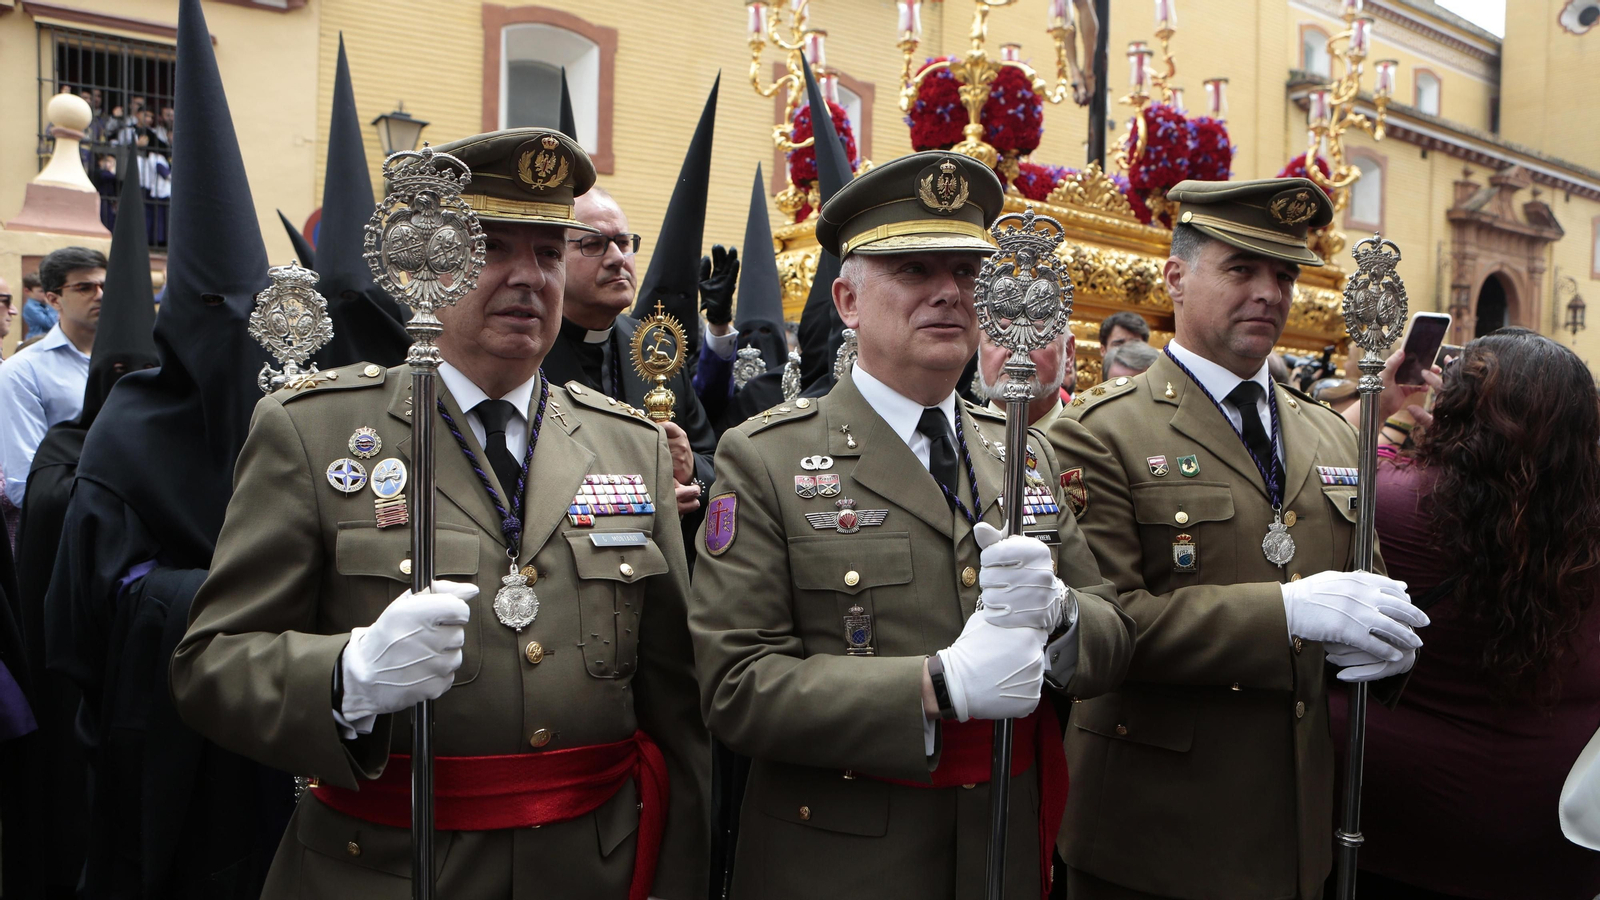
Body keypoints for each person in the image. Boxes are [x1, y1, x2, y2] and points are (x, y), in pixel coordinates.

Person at [170, 126, 709, 900]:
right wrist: (345, 678)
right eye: (494, 248)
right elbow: (210, 663)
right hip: (391, 865)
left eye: (551, 253)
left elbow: (674, 701)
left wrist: (678, 873)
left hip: (591, 864)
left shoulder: (628, 445)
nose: (532, 278)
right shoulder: (312, 431)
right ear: (424, 264)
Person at [691, 151, 1133, 900]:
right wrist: (934, 685)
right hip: (847, 862)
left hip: (1001, 844)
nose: (948, 294)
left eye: (965, 273)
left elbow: (1115, 636)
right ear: (849, 300)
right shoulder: (767, 457)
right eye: (914, 271)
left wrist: (1061, 617)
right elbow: (736, 686)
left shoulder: (1018, 449)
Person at [1049, 177, 1427, 900]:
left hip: (1293, 830)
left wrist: (1386, 644)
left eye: (1284, 274)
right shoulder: (1100, 432)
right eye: (1241, 269)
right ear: (1176, 278)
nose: (1269, 292)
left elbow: (1364, 582)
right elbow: (1104, 625)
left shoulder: (1326, 429)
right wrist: (1283, 613)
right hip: (1155, 835)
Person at [1328, 328, 1600, 900]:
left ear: (1452, 407)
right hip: (1551, 833)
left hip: (1396, 824)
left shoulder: (1394, 501)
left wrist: (1383, 399)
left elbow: (1326, 462)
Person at [9, 164, 159, 900]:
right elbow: (31, 500)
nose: (99, 299)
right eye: (85, 288)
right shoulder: (58, 430)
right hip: (82, 669)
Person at [541, 186, 719, 516]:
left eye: (623, 243)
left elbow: (710, 461)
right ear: (553, 255)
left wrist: (691, 471)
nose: (617, 258)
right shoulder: (529, 350)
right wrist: (640, 501)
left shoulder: (658, 346)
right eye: (593, 244)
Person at [0, 246, 105, 507]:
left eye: (105, 285)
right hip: (70, 525)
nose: (101, 295)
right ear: (53, 299)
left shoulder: (138, 361)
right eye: (84, 287)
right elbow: (26, 484)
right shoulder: (23, 371)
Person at [976, 328, 1074, 430]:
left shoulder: (1088, 444)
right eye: (998, 336)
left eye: (1035, 336)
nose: (1016, 350)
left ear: (1068, 352)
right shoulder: (959, 441)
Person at [19, 273, 55, 343]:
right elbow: (50, 323)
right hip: (36, 341)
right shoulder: (30, 307)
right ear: (27, 291)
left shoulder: (44, 304)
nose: (45, 294)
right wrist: (51, 305)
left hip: (48, 339)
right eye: (41, 291)